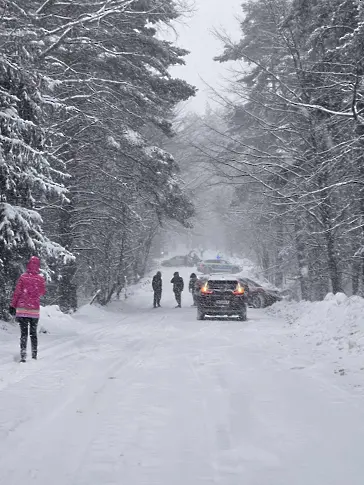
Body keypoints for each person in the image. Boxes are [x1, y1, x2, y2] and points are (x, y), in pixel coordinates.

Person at [9, 256, 46, 362]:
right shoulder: (40, 279)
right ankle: (34, 355)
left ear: (28, 264)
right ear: (38, 266)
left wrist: (13, 305)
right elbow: (42, 292)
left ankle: (23, 355)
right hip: (34, 311)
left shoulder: (23, 277)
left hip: (22, 309)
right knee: (33, 334)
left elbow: (17, 293)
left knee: (24, 333)